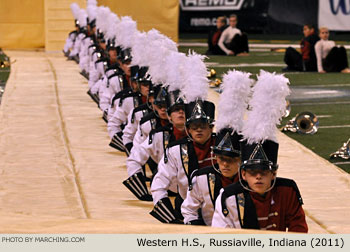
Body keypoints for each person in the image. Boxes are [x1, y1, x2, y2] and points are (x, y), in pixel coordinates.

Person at [211, 70, 308, 233]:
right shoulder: (228, 196)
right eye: (253, 172)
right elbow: (221, 235)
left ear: (274, 174)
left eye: (264, 172)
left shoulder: (288, 191)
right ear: (243, 174)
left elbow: (299, 231)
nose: (258, 176)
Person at [150, 99, 216, 223]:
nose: (198, 130)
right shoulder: (175, 150)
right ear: (188, 130)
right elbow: (159, 184)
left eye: (203, 126)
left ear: (211, 127)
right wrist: (170, 218)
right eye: (194, 127)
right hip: (185, 211)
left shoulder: (221, 149)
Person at [123, 90, 186, 201]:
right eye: (176, 110)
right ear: (169, 116)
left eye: (184, 110)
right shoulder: (157, 134)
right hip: (168, 188)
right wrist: (141, 189)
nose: (181, 113)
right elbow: (134, 157)